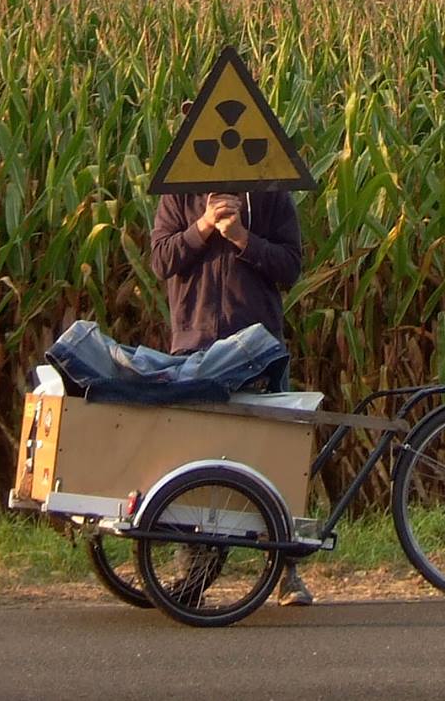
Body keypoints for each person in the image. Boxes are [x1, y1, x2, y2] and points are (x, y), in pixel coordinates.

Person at [149, 187, 312, 605]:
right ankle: (192, 574)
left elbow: (290, 268)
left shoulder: (273, 196)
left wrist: (241, 236)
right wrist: (203, 226)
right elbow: (161, 260)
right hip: (194, 345)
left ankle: (285, 572)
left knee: (274, 456)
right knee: (192, 462)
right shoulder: (178, 196)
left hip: (259, 346)